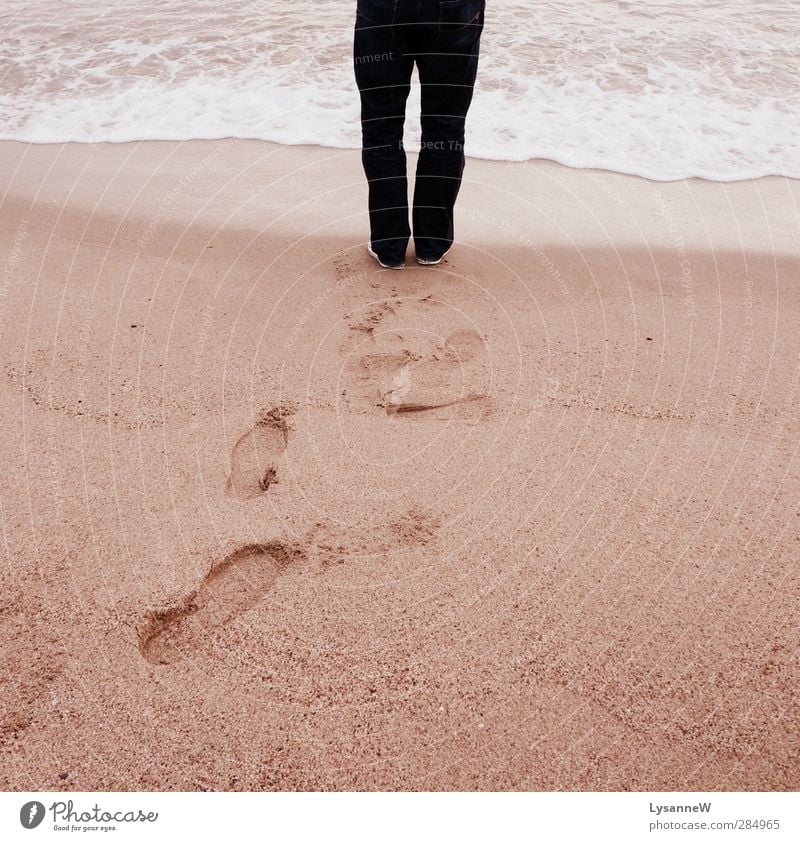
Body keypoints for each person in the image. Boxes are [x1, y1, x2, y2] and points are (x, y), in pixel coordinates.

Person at [354, 0, 486, 269]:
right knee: (445, 126)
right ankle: (431, 244)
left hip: (383, 9)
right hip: (453, 11)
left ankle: (389, 246)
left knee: (382, 127)